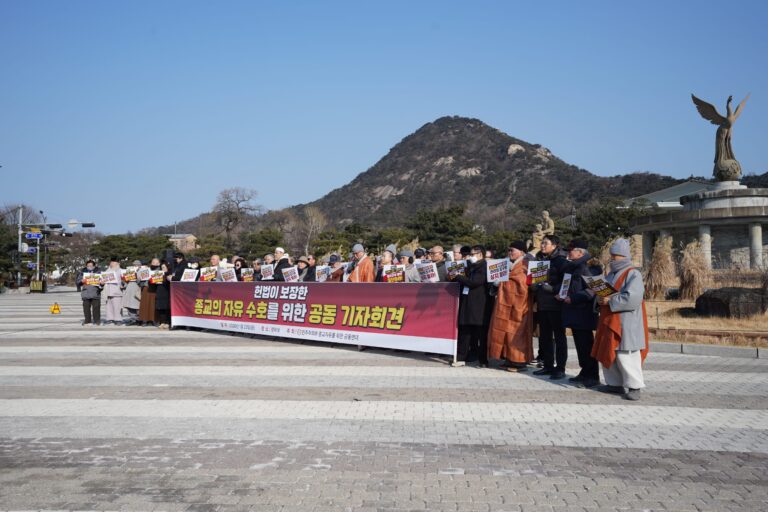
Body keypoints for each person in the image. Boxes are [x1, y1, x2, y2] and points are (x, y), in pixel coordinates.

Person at [592, 238, 649, 401]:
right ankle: (614, 384)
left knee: (626, 354)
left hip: (626, 321)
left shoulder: (633, 273)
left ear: (622, 256)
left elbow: (633, 297)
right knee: (609, 351)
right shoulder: (611, 274)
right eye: (612, 255)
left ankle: (635, 386)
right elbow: (603, 294)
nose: (612, 258)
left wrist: (610, 301)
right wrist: (599, 299)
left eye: (614, 255)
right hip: (609, 319)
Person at [487, 241, 534, 371]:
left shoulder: (525, 265)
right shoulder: (507, 264)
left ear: (522, 252)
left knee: (517, 333)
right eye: (508, 250)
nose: (509, 253)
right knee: (504, 331)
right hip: (505, 303)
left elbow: (523, 284)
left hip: (520, 304)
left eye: (512, 250)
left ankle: (519, 362)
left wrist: (503, 282)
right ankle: (508, 358)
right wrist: (498, 282)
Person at [560, 239, 600, 388]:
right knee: (580, 345)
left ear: (580, 252)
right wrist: (562, 294)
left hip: (584, 312)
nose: (568, 253)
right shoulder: (573, 266)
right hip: (574, 312)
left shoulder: (588, 267)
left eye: (570, 250)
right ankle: (584, 372)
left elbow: (593, 290)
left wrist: (574, 298)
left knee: (586, 345)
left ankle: (592, 376)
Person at [532, 235, 569, 380]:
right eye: (541, 243)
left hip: (556, 305)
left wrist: (553, 289)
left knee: (559, 337)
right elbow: (534, 280)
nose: (542, 245)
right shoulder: (540, 261)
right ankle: (547, 365)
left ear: (554, 246)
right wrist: (533, 285)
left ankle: (560, 368)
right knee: (544, 337)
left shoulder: (561, 261)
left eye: (545, 243)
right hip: (542, 304)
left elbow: (567, 281)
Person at [453, 245, 491, 367]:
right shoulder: (469, 266)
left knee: (481, 334)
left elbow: (475, 282)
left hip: (480, 304)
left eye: (473, 254)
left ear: (480, 255)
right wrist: (455, 275)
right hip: (467, 302)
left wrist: (458, 277)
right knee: (465, 331)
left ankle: (483, 360)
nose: (470, 257)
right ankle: (461, 357)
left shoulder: (485, 266)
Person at [77, 259, 102, 326]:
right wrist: (81, 281)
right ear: (86, 266)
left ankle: (97, 321)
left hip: (95, 292)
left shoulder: (99, 272)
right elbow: (78, 282)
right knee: (86, 308)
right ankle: (87, 321)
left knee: (96, 308)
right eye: (88, 266)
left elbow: (103, 283)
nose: (89, 267)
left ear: (94, 266)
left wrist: (102, 283)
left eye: (91, 265)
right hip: (86, 293)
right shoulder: (82, 272)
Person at [138, 257, 160, 326]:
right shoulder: (146, 270)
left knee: (154, 305)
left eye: (156, 263)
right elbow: (139, 279)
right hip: (146, 287)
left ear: (159, 263)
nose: (154, 264)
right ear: (151, 263)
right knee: (145, 304)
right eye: (153, 262)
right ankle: (144, 320)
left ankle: (154, 320)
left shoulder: (160, 271)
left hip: (155, 288)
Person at [103, 257, 125, 325]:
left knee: (117, 306)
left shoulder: (121, 270)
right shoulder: (107, 271)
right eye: (111, 262)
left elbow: (124, 280)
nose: (112, 263)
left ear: (118, 263)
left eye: (114, 262)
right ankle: (109, 318)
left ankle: (118, 319)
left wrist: (123, 284)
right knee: (109, 306)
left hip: (117, 291)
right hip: (108, 291)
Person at [122, 259, 143, 325]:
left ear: (140, 266)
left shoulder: (142, 271)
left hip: (137, 289)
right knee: (129, 305)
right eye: (134, 265)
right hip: (129, 288)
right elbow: (125, 281)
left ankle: (138, 319)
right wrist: (124, 280)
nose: (136, 266)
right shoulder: (129, 271)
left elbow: (141, 281)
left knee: (138, 305)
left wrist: (136, 277)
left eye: (137, 265)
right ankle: (132, 319)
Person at [155, 260, 172, 329]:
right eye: (162, 267)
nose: (163, 269)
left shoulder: (169, 274)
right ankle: (162, 322)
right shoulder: (158, 274)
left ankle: (167, 322)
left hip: (167, 292)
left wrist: (168, 277)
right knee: (160, 308)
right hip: (159, 292)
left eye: (164, 267)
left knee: (167, 308)